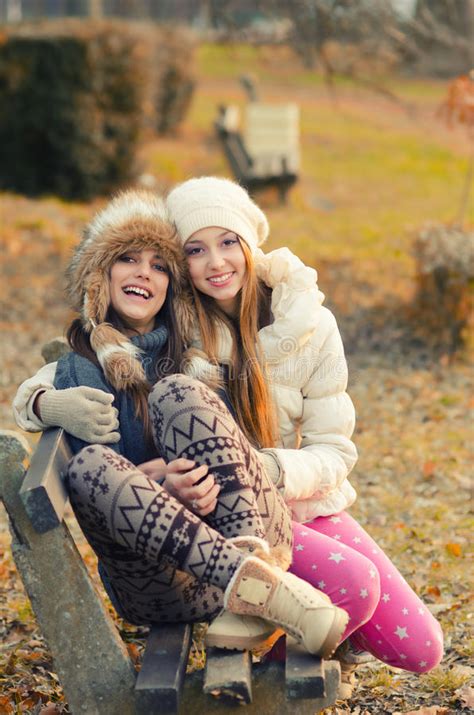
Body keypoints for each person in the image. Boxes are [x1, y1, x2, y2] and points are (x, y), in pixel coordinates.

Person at [14, 180, 443, 695]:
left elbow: (334, 449)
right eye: (195, 250)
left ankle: (307, 635)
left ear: (250, 243)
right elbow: (63, 374)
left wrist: (263, 467)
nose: (215, 262)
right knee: (353, 585)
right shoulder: (184, 329)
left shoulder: (304, 326)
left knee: (421, 647)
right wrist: (44, 403)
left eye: (228, 242)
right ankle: (272, 648)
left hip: (288, 497)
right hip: (210, 522)